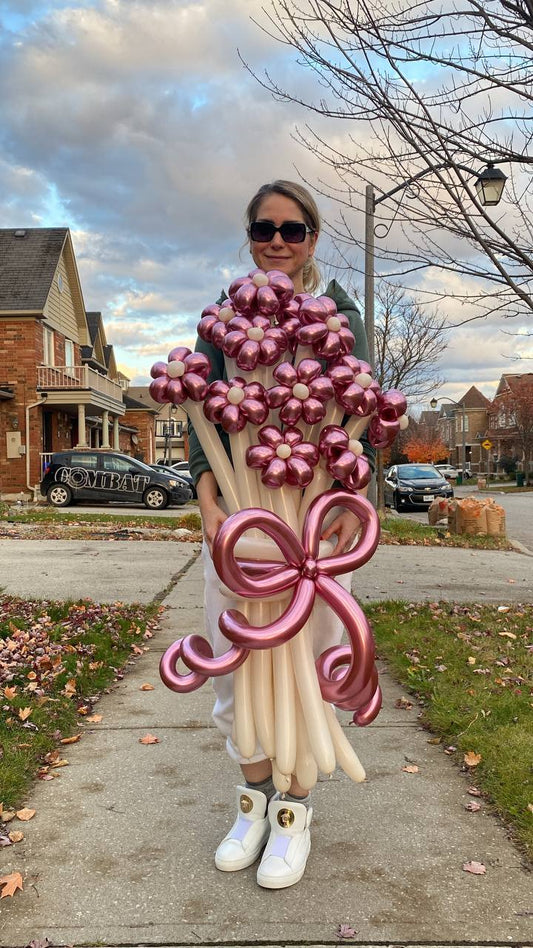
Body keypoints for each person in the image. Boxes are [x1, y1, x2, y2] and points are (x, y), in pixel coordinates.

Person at [188, 180, 375, 889]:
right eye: (263, 227)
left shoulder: (342, 319)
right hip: (237, 523)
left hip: (313, 532)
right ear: (248, 232)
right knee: (236, 667)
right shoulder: (221, 318)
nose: (276, 240)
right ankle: (252, 804)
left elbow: (359, 422)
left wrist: (336, 521)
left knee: (309, 668)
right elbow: (202, 415)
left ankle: (293, 815)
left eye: (292, 230)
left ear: (313, 239)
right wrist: (209, 505)